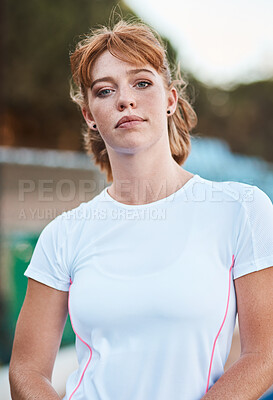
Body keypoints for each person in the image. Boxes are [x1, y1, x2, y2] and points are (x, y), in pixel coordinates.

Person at [9, 17, 273, 400]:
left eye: (142, 83)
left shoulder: (242, 210)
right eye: (104, 91)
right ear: (89, 116)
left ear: (170, 99)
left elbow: (263, 353)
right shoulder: (64, 234)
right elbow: (26, 370)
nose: (125, 99)